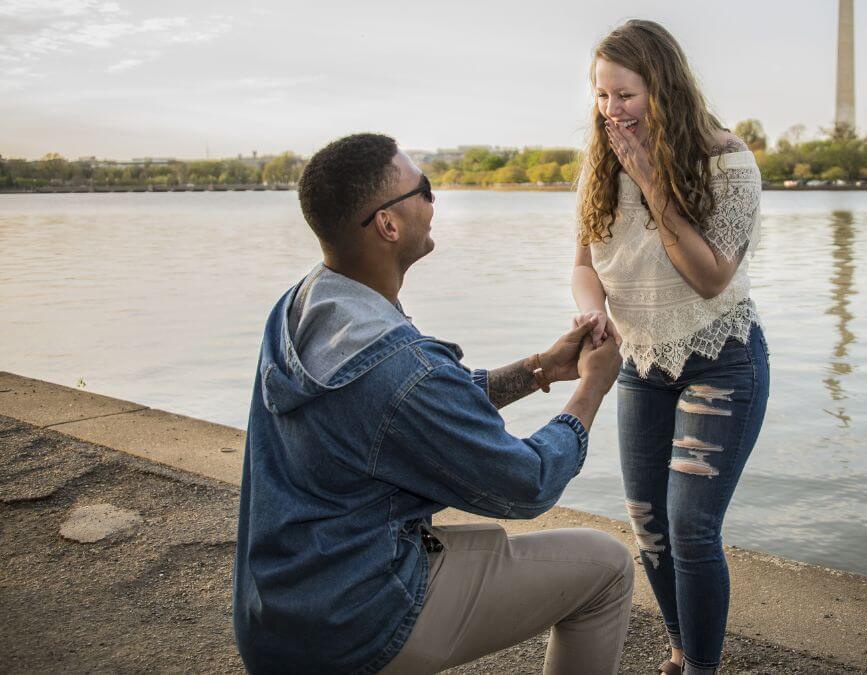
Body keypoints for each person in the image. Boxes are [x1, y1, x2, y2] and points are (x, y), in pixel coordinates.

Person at [233, 133, 633, 675]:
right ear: (388, 225)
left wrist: (541, 368)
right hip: (352, 627)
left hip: (279, 614)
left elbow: (408, 413)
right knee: (606, 566)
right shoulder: (396, 367)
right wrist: (591, 388)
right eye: (422, 189)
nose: (434, 199)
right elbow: (528, 483)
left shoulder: (302, 307)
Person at [570, 20, 771, 675]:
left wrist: (654, 180)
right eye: (602, 97)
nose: (611, 111)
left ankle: (703, 668)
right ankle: (684, 650)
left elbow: (710, 275)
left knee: (690, 526)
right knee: (647, 522)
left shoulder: (726, 160)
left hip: (721, 360)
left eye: (624, 95)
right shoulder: (599, 168)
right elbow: (583, 263)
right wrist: (591, 312)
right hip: (643, 365)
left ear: (663, 87)